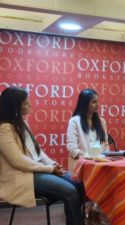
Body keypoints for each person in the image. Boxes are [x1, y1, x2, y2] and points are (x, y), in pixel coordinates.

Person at [0, 87, 84, 225]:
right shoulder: (3, 128)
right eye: (26, 103)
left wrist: (52, 164)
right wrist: (50, 169)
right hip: (23, 175)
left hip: (37, 170)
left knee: (78, 183)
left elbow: (38, 152)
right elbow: (17, 161)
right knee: (71, 192)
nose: (30, 105)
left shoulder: (23, 123)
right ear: (15, 106)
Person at [66, 88, 109, 172]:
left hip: (101, 165)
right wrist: (92, 157)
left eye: (98, 101)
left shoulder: (102, 121)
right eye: (93, 102)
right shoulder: (74, 121)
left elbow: (106, 145)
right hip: (82, 166)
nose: (97, 104)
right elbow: (72, 149)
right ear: (84, 104)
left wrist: (105, 158)